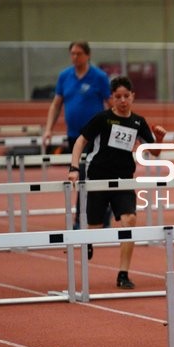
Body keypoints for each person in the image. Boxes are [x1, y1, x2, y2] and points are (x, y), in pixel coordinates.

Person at [67, 75, 166, 289]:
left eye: (126, 96)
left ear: (133, 96)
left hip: (124, 180)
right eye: (118, 97)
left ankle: (123, 274)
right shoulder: (102, 119)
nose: (122, 101)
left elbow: (155, 152)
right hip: (98, 178)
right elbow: (81, 141)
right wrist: (74, 168)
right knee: (95, 225)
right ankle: (88, 240)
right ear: (112, 97)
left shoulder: (138, 122)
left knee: (129, 220)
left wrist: (159, 139)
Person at [43, 41, 111, 228]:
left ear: (88, 55)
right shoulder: (64, 76)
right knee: (84, 177)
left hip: (96, 136)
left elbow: (111, 103)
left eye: (79, 53)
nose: (75, 57)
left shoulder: (99, 77)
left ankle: (83, 220)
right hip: (75, 136)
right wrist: (48, 129)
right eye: (72, 53)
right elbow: (56, 105)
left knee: (90, 175)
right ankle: (94, 216)